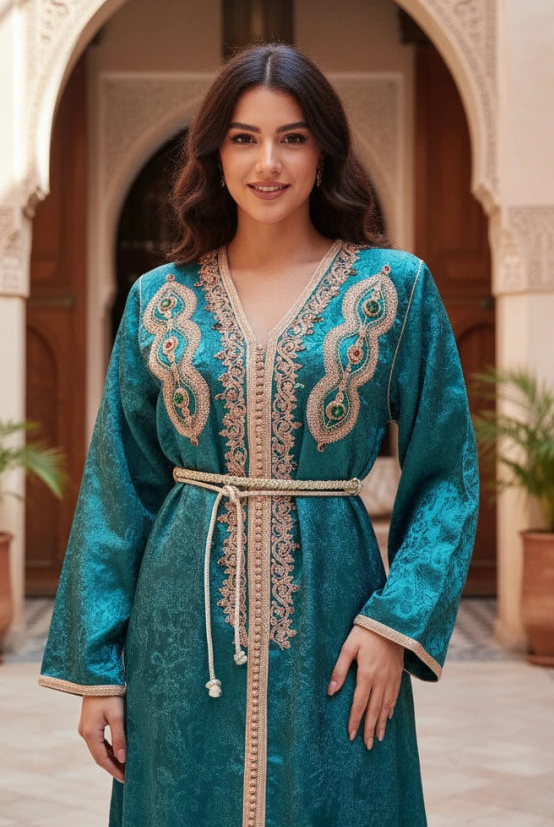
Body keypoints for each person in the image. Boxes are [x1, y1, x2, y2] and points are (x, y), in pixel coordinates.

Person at [39, 44, 479, 827]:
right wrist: (100, 670)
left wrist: (395, 622)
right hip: (181, 631)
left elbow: (446, 471)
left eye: (293, 136)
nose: (267, 161)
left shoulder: (393, 287)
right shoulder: (157, 300)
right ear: (215, 151)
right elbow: (118, 486)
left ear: (324, 152)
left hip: (339, 622)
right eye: (244, 137)